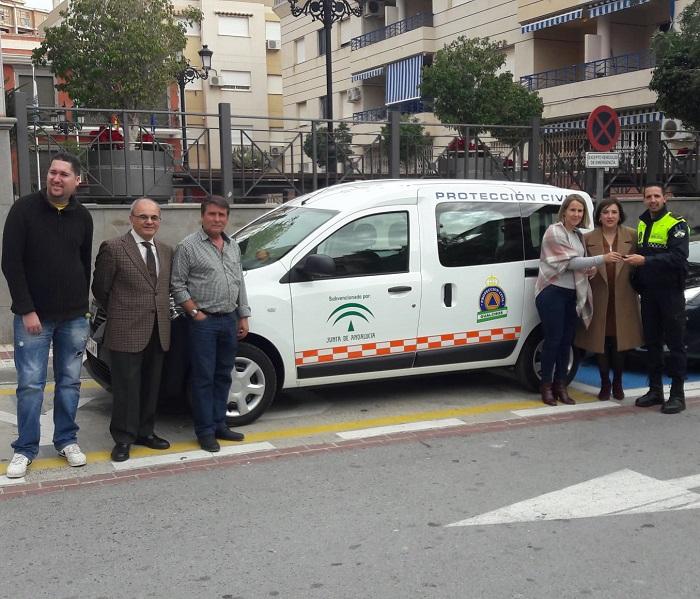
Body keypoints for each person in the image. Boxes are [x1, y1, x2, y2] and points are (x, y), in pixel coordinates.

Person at [1, 152, 93, 478]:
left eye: (63, 174)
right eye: (52, 172)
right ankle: (25, 448)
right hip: (34, 318)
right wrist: (26, 309)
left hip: (73, 318)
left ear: (76, 181)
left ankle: (66, 440)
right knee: (30, 385)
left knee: (70, 382)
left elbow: (84, 263)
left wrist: (82, 307)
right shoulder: (24, 210)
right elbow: (11, 263)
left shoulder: (82, 216)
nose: (55, 178)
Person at [91, 198, 173, 462]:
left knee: (151, 386)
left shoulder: (166, 250)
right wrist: (122, 312)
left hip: (158, 329)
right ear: (131, 219)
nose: (149, 222)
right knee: (126, 388)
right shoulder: (114, 248)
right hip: (126, 330)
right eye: (143, 217)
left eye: (154, 217)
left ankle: (145, 433)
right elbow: (100, 289)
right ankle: (123, 438)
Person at [171, 196, 251, 452]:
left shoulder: (233, 245)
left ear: (227, 218)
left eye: (222, 215)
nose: (217, 219)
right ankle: (205, 431)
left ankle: (220, 424)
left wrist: (243, 315)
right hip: (203, 322)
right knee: (203, 378)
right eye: (212, 214)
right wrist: (195, 313)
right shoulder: (188, 247)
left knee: (223, 375)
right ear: (202, 216)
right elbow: (177, 284)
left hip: (229, 320)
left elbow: (239, 281)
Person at [535, 194, 622, 406]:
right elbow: (571, 263)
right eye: (572, 210)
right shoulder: (554, 231)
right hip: (552, 292)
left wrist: (590, 269)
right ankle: (546, 386)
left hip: (571, 294)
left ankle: (561, 386)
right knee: (553, 341)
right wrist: (601, 259)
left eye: (580, 211)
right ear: (564, 211)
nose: (576, 214)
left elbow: (580, 265)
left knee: (566, 343)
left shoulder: (577, 234)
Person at [624, 183, 689, 414]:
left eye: (656, 196)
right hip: (650, 294)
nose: (652, 200)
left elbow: (679, 258)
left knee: (675, 345)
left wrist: (645, 262)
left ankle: (678, 395)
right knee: (652, 343)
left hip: (670, 293)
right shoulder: (643, 223)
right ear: (643, 200)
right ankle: (655, 390)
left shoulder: (676, 224)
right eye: (648, 197)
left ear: (665, 198)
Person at [575, 198, 643, 401]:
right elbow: (579, 265)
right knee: (601, 342)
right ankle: (605, 384)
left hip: (624, 297)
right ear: (599, 216)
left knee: (620, 342)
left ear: (620, 214)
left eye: (614, 212)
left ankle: (618, 383)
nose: (610, 216)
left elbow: (641, 264)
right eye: (605, 212)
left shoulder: (631, 235)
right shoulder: (587, 238)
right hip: (599, 296)